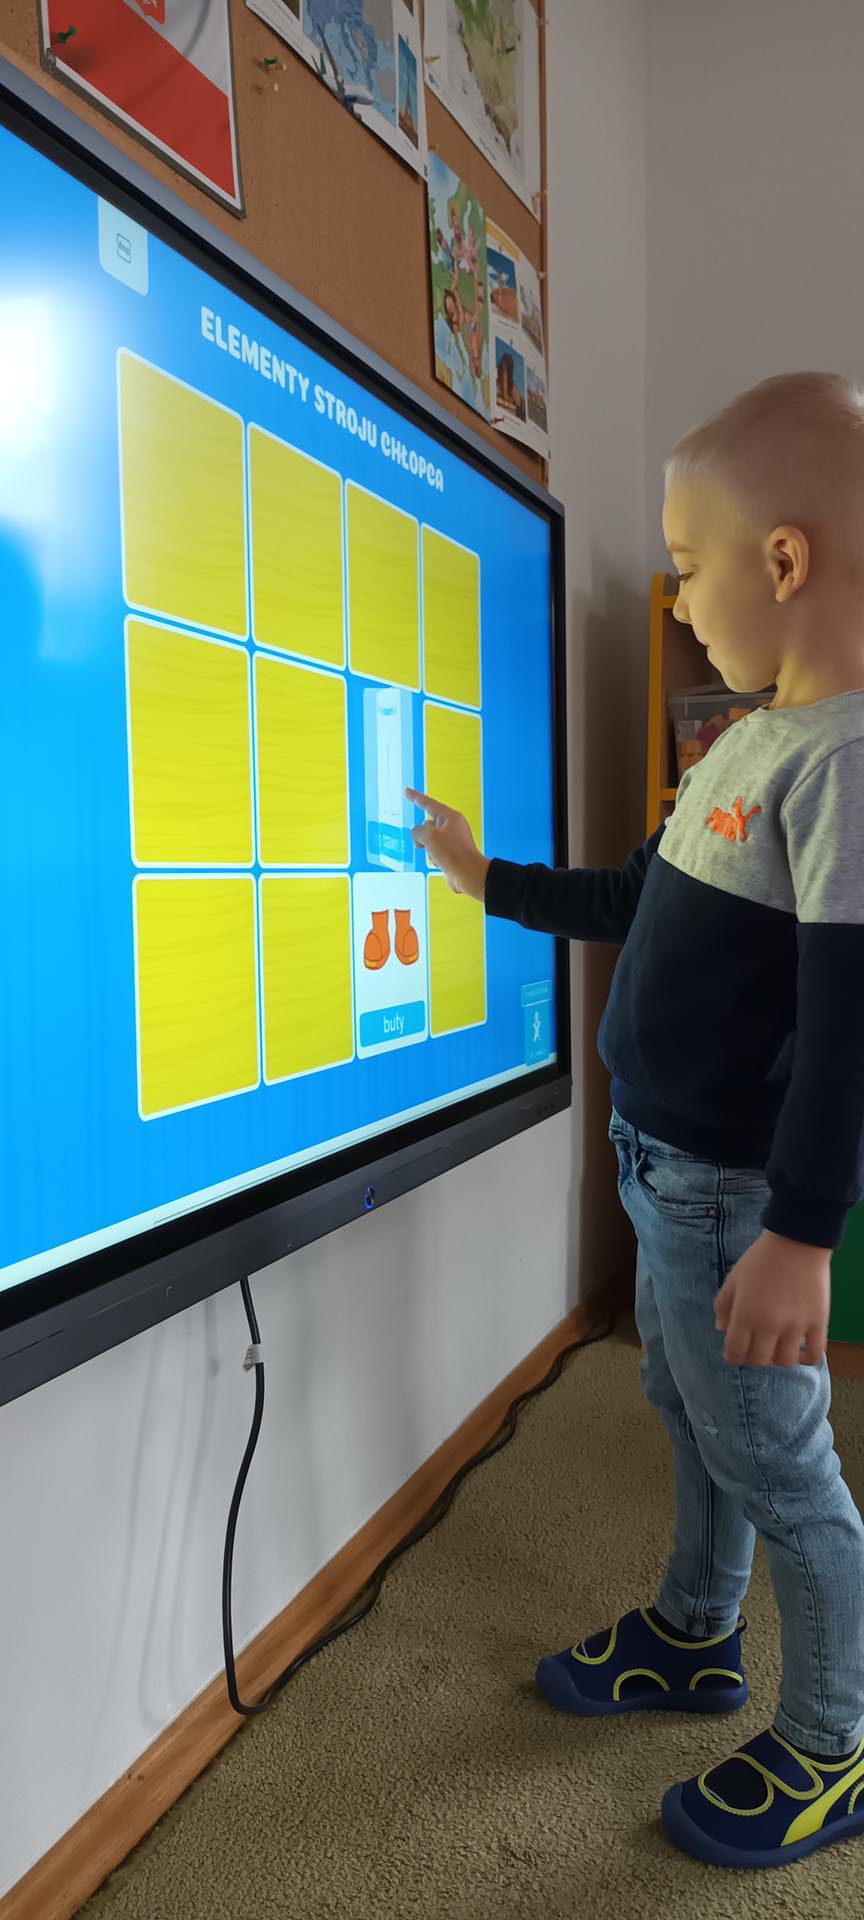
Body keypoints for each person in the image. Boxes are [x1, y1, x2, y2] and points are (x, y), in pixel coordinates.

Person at [406, 370, 864, 1873]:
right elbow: (633, 897)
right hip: (663, 1173)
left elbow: (848, 1035)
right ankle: (695, 1632)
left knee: (783, 1467)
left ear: (782, 561)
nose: (682, 595)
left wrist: (804, 1237)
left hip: (737, 1196)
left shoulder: (846, 764)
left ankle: (834, 1744)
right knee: (691, 1411)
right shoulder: (747, 738)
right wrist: (485, 881)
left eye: (687, 562)